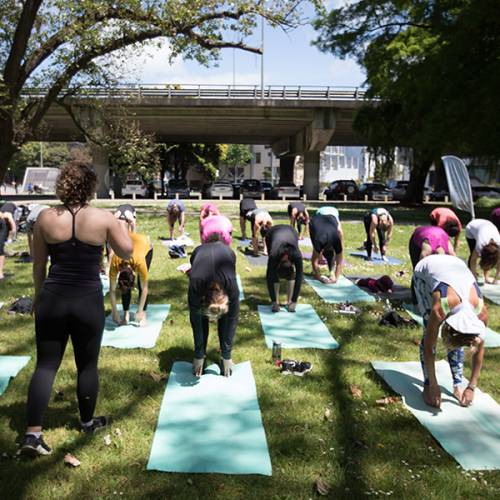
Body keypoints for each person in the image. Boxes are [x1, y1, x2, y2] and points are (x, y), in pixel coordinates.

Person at [19, 162, 132, 457]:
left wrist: (38, 296)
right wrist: (120, 224)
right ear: (90, 186)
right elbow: (127, 251)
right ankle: (86, 422)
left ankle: (32, 435)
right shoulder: (103, 217)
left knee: (45, 365)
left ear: (64, 185)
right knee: (87, 365)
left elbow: (39, 264)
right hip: (87, 300)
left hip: (53, 297)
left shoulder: (45, 217)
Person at [412, 254, 487, 408]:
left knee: (455, 345)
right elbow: (428, 346)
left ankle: (457, 384)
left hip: (453, 266)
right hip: (425, 270)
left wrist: (471, 386)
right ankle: (427, 383)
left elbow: (480, 350)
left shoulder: (481, 312)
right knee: (429, 329)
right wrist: (432, 385)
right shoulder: (441, 307)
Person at [188, 241, 239, 377]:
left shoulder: (232, 286)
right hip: (199, 254)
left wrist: (227, 355)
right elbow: (195, 320)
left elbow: (232, 319)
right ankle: (202, 355)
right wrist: (198, 354)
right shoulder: (196, 282)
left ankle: (223, 356)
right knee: (200, 316)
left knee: (226, 318)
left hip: (227, 254)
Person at [109, 232, 153, 327]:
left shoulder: (140, 262)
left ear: (134, 272)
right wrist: (114, 312)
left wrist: (140, 311)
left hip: (146, 245)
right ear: (119, 271)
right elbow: (112, 290)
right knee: (125, 287)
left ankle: (143, 314)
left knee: (141, 284)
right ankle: (126, 314)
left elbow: (145, 288)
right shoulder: (115, 262)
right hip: (129, 242)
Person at [265, 225, 303, 312]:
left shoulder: (297, 255)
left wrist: (294, 301)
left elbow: (299, 277)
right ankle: (276, 301)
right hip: (272, 233)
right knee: (273, 271)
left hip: (292, 232)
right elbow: (269, 276)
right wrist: (274, 302)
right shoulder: (273, 254)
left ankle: (289, 301)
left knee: (291, 274)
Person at [309, 212, 343, 283]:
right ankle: (316, 271)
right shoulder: (319, 241)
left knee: (327, 254)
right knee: (316, 252)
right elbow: (314, 261)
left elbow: (339, 263)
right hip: (314, 221)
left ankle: (331, 271)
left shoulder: (337, 242)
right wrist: (319, 277)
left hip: (331, 219)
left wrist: (335, 278)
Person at [465, 219, 500, 284]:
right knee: (473, 252)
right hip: (471, 228)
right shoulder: (480, 245)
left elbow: (499, 263)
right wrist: (474, 277)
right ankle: (471, 275)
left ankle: (486, 277)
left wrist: (495, 279)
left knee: (488, 261)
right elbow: (473, 259)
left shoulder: (499, 246)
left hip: (486, 226)